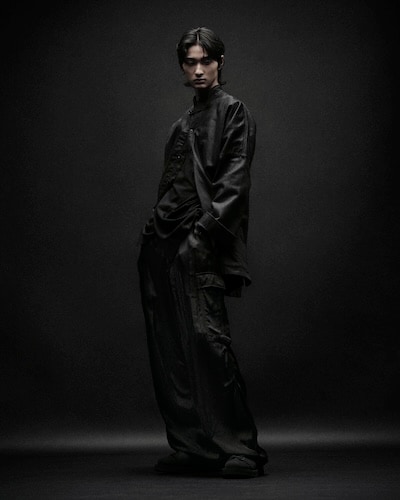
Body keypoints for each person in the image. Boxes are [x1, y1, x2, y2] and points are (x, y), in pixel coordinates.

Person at [138, 27, 267, 478]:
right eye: (190, 62)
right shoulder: (180, 124)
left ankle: (240, 449)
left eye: (205, 61)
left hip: (199, 241)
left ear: (219, 62)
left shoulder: (233, 112)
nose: (198, 70)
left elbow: (235, 181)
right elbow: (173, 182)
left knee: (207, 341)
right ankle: (192, 445)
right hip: (161, 243)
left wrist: (204, 233)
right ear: (182, 65)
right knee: (170, 348)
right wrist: (153, 229)